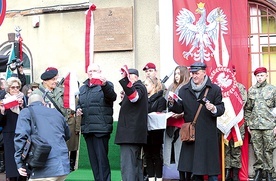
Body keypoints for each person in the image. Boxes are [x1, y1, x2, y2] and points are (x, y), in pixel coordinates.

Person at [168, 62, 225, 181]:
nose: (194, 76)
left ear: (204, 73)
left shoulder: (214, 89)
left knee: (211, 171)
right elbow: (179, 109)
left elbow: (221, 108)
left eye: (197, 73)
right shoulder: (184, 90)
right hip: (191, 136)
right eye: (193, 73)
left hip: (208, 135)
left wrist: (213, 108)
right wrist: (172, 103)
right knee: (193, 170)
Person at [14, 94, 71, 181]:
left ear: (28, 104)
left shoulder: (26, 112)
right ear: (44, 103)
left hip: (43, 167)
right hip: (63, 166)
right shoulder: (56, 113)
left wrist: (19, 162)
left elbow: (21, 137)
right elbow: (67, 135)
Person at [76, 64, 117, 181]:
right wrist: (78, 109)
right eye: (90, 71)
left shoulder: (106, 85)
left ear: (100, 72)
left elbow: (112, 97)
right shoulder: (82, 88)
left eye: (94, 70)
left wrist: (104, 84)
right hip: (88, 129)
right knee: (94, 161)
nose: (91, 72)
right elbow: (80, 103)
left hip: (101, 128)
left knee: (102, 160)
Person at [115, 68, 148, 181]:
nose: (128, 79)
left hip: (130, 136)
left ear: (136, 77)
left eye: (129, 76)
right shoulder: (140, 88)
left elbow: (134, 98)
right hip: (133, 136)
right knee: (135, 167)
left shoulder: (139, 87)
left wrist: (125, 80)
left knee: (128, 168)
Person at [244, 67, 276, 181]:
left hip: (269, 125)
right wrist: (248, 124)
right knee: (257, 149)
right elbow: (248, 109)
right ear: (255, 77)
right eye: (258, 76)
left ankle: (268, 172)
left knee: (269, 149)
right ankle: (258, 171)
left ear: (266, 76)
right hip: (255, 126)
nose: (260, 77)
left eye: (262, 75)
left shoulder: (272, 89)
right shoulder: (251, 90)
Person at [163, 66, 190, 179]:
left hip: (182, 124)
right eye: (175, 73)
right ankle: (171, 172)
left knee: (180, 151)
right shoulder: (170, 87)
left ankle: (183, 176)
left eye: (179, 73)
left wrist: (181, 113)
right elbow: (165, 103)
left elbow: (189, 107)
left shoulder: (187, 88)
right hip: (170, 122)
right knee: (168, 149)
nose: (176, 76)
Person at [0, 77, 27, 181]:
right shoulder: (4, 101)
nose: (16, 90)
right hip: (9, 134)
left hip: (22, 133)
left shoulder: (23, 98)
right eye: (13, 88)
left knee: (23, 158)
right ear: (8, 89)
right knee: (11, 161)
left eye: (17, 87)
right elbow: (1, 122)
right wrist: (2, 112)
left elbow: (29, 117)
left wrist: (23, 107)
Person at [224, 66, 247, 181]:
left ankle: (236, 173)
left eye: (232, 72)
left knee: (236, 148)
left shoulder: (240, 87)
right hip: (226, 123)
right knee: (226, 147)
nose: (231, 75)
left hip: (238, 123)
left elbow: (242, 103)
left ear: (235, 73)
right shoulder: (222, 88)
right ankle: (227, 171)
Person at [143, 76, 166, 181]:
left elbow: (160, 114)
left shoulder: (161, 99)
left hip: (156, 132)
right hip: (146, 131)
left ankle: (159, 177)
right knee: (147, 155)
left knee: (156, 155)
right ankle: (151, 177)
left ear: (153, 86)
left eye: (146, 85)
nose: (145, 87)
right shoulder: (144, 99)